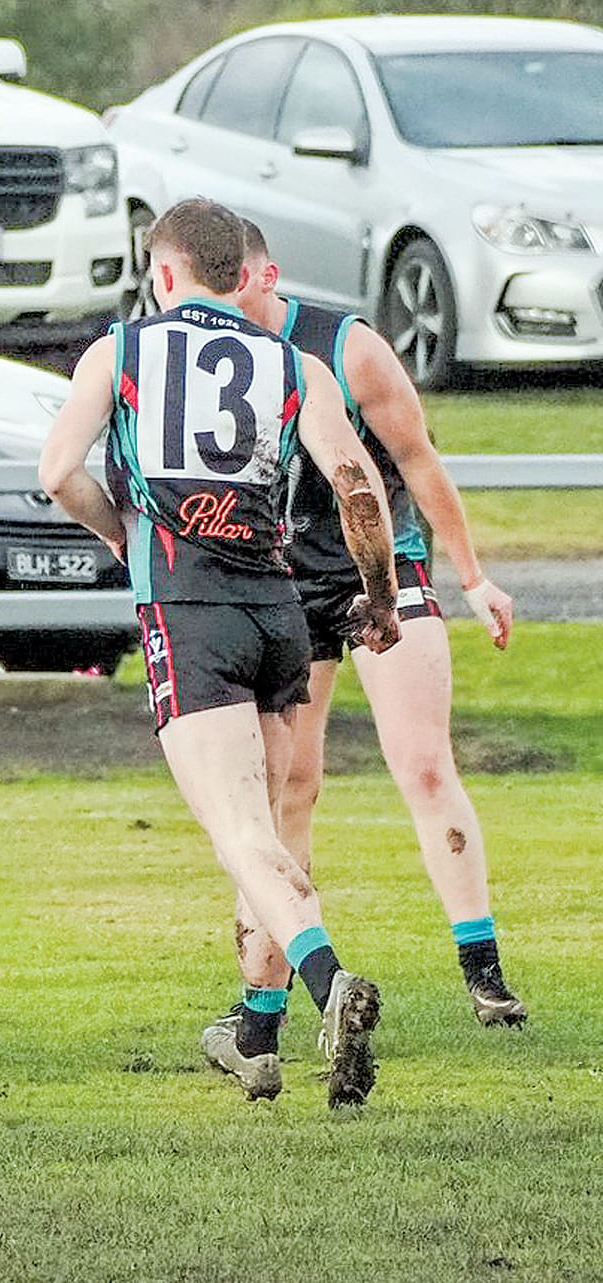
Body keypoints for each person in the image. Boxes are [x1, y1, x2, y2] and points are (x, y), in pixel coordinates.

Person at [37, 197, 403, 1109]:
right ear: (244, 277)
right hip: (279, 608)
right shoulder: (294, 360)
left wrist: (120, 532)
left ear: (161, 274)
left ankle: (332, 987)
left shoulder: (119, 350)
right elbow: (356, 482)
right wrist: (383, 593)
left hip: (187, 607)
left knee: (239, 833)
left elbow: (55, 473)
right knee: (266, 837)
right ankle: (255, 1033)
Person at [196, 225, 523, 1078]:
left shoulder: (346, 347)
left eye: (239, 281)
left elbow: (416, 461)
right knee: (288, 787)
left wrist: (475, 577)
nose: (226, 298)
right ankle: (265, 1006)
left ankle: (483, 974)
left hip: (379, 566)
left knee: (422, 764)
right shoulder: (203, 358)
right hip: (279, 584)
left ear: (266, 274)